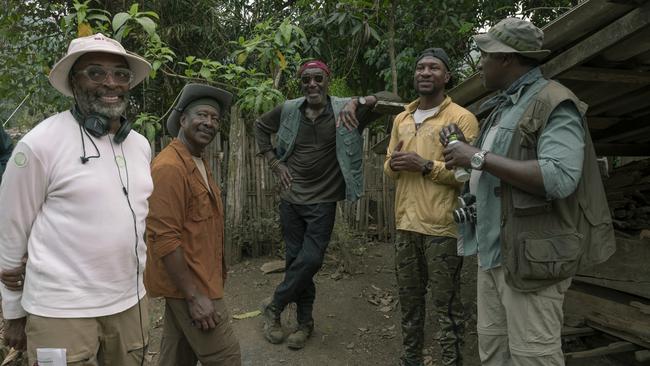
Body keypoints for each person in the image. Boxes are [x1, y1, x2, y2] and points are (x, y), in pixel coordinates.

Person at [440, 18, 615, 366]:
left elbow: (560, 176)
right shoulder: (503, 106)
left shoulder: (554, 101)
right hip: (494, 254)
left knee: (533, 357)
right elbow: (495, 167)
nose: (481, 63)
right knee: (494, 351)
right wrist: (464, 151)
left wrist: (476, 156)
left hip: (531, 261)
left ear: (507, 58)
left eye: (486, 55)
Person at [0, 33, 153, 365]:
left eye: (121, 74)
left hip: (131, 303)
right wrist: (12, 311)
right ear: (73, 82)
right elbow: (11, 231)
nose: (110, 83)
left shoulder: (140, 145)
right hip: (59, 310)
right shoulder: (39, 145)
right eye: (95, 73)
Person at [255, 60, 398, 349]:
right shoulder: (289, 109)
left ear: (327, 80)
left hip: (323, 201)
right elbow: (259, 126)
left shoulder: (348, 110)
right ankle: (304, 324)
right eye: (306, 80)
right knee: (297, 262)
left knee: (312, 259)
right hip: (291, 200)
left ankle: (275, 304)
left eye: (317, 78)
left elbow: (393, 100)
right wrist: (274, 163)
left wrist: (359, 101)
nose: (312, 85)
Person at [382, 48, 478, 366]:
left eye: (434, 68)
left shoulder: (461, 118)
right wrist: (395, 163)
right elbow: (388, 169)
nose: (425, 72)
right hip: (406, 225)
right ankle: (411, 361)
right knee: (409, 306)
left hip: (442, 229)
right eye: (420, 67)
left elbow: (466, 175)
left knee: (447, 308)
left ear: (446, 76)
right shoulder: (402, 118)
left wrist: (424, 165)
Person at [144, 83, 241, 365]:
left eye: (215, 118)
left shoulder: (196, 160)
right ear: (183, 120)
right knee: (227, 357)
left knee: (177, 357)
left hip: (197, 278)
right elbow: (164, 238)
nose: (209, 123)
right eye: (202, 115)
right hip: (191, 285)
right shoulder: (169, 168)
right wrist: (195, 296)